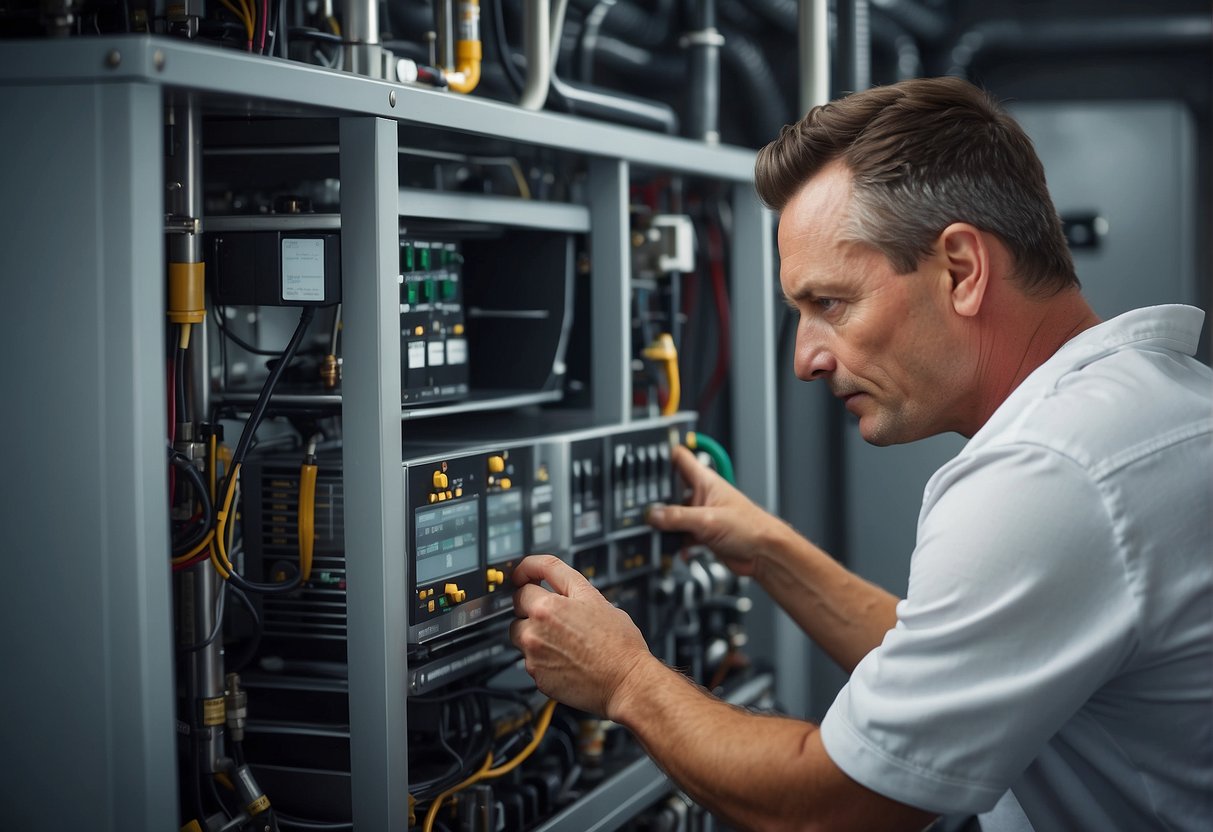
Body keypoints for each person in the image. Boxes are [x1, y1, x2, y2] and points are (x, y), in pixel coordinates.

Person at [509, 76, 1213, 830]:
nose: (805, 359)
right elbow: (964, 660)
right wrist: (770, 550)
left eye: (830, 304)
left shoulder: (1051, 471)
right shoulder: (1142, 408)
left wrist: (624, 679)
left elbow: (833, 807)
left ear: (960, 270)